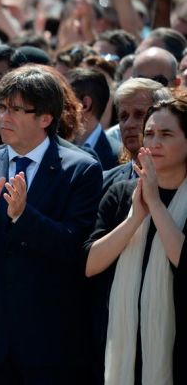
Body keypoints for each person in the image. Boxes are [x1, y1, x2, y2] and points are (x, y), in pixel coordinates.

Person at [0, 65, 103, 384]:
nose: (4, 117)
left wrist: (24, 217)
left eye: (16, 110)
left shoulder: (81, 169)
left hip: (50, 342)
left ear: (45, 118)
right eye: (2, 107)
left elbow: (76, 249)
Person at [85, 94, 187, 384]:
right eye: (150, 133)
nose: (154, 143)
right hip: (120, 349)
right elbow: (91, 264)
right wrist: (133, 219)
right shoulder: (120, 194)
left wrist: (155, 204)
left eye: (166, 134)